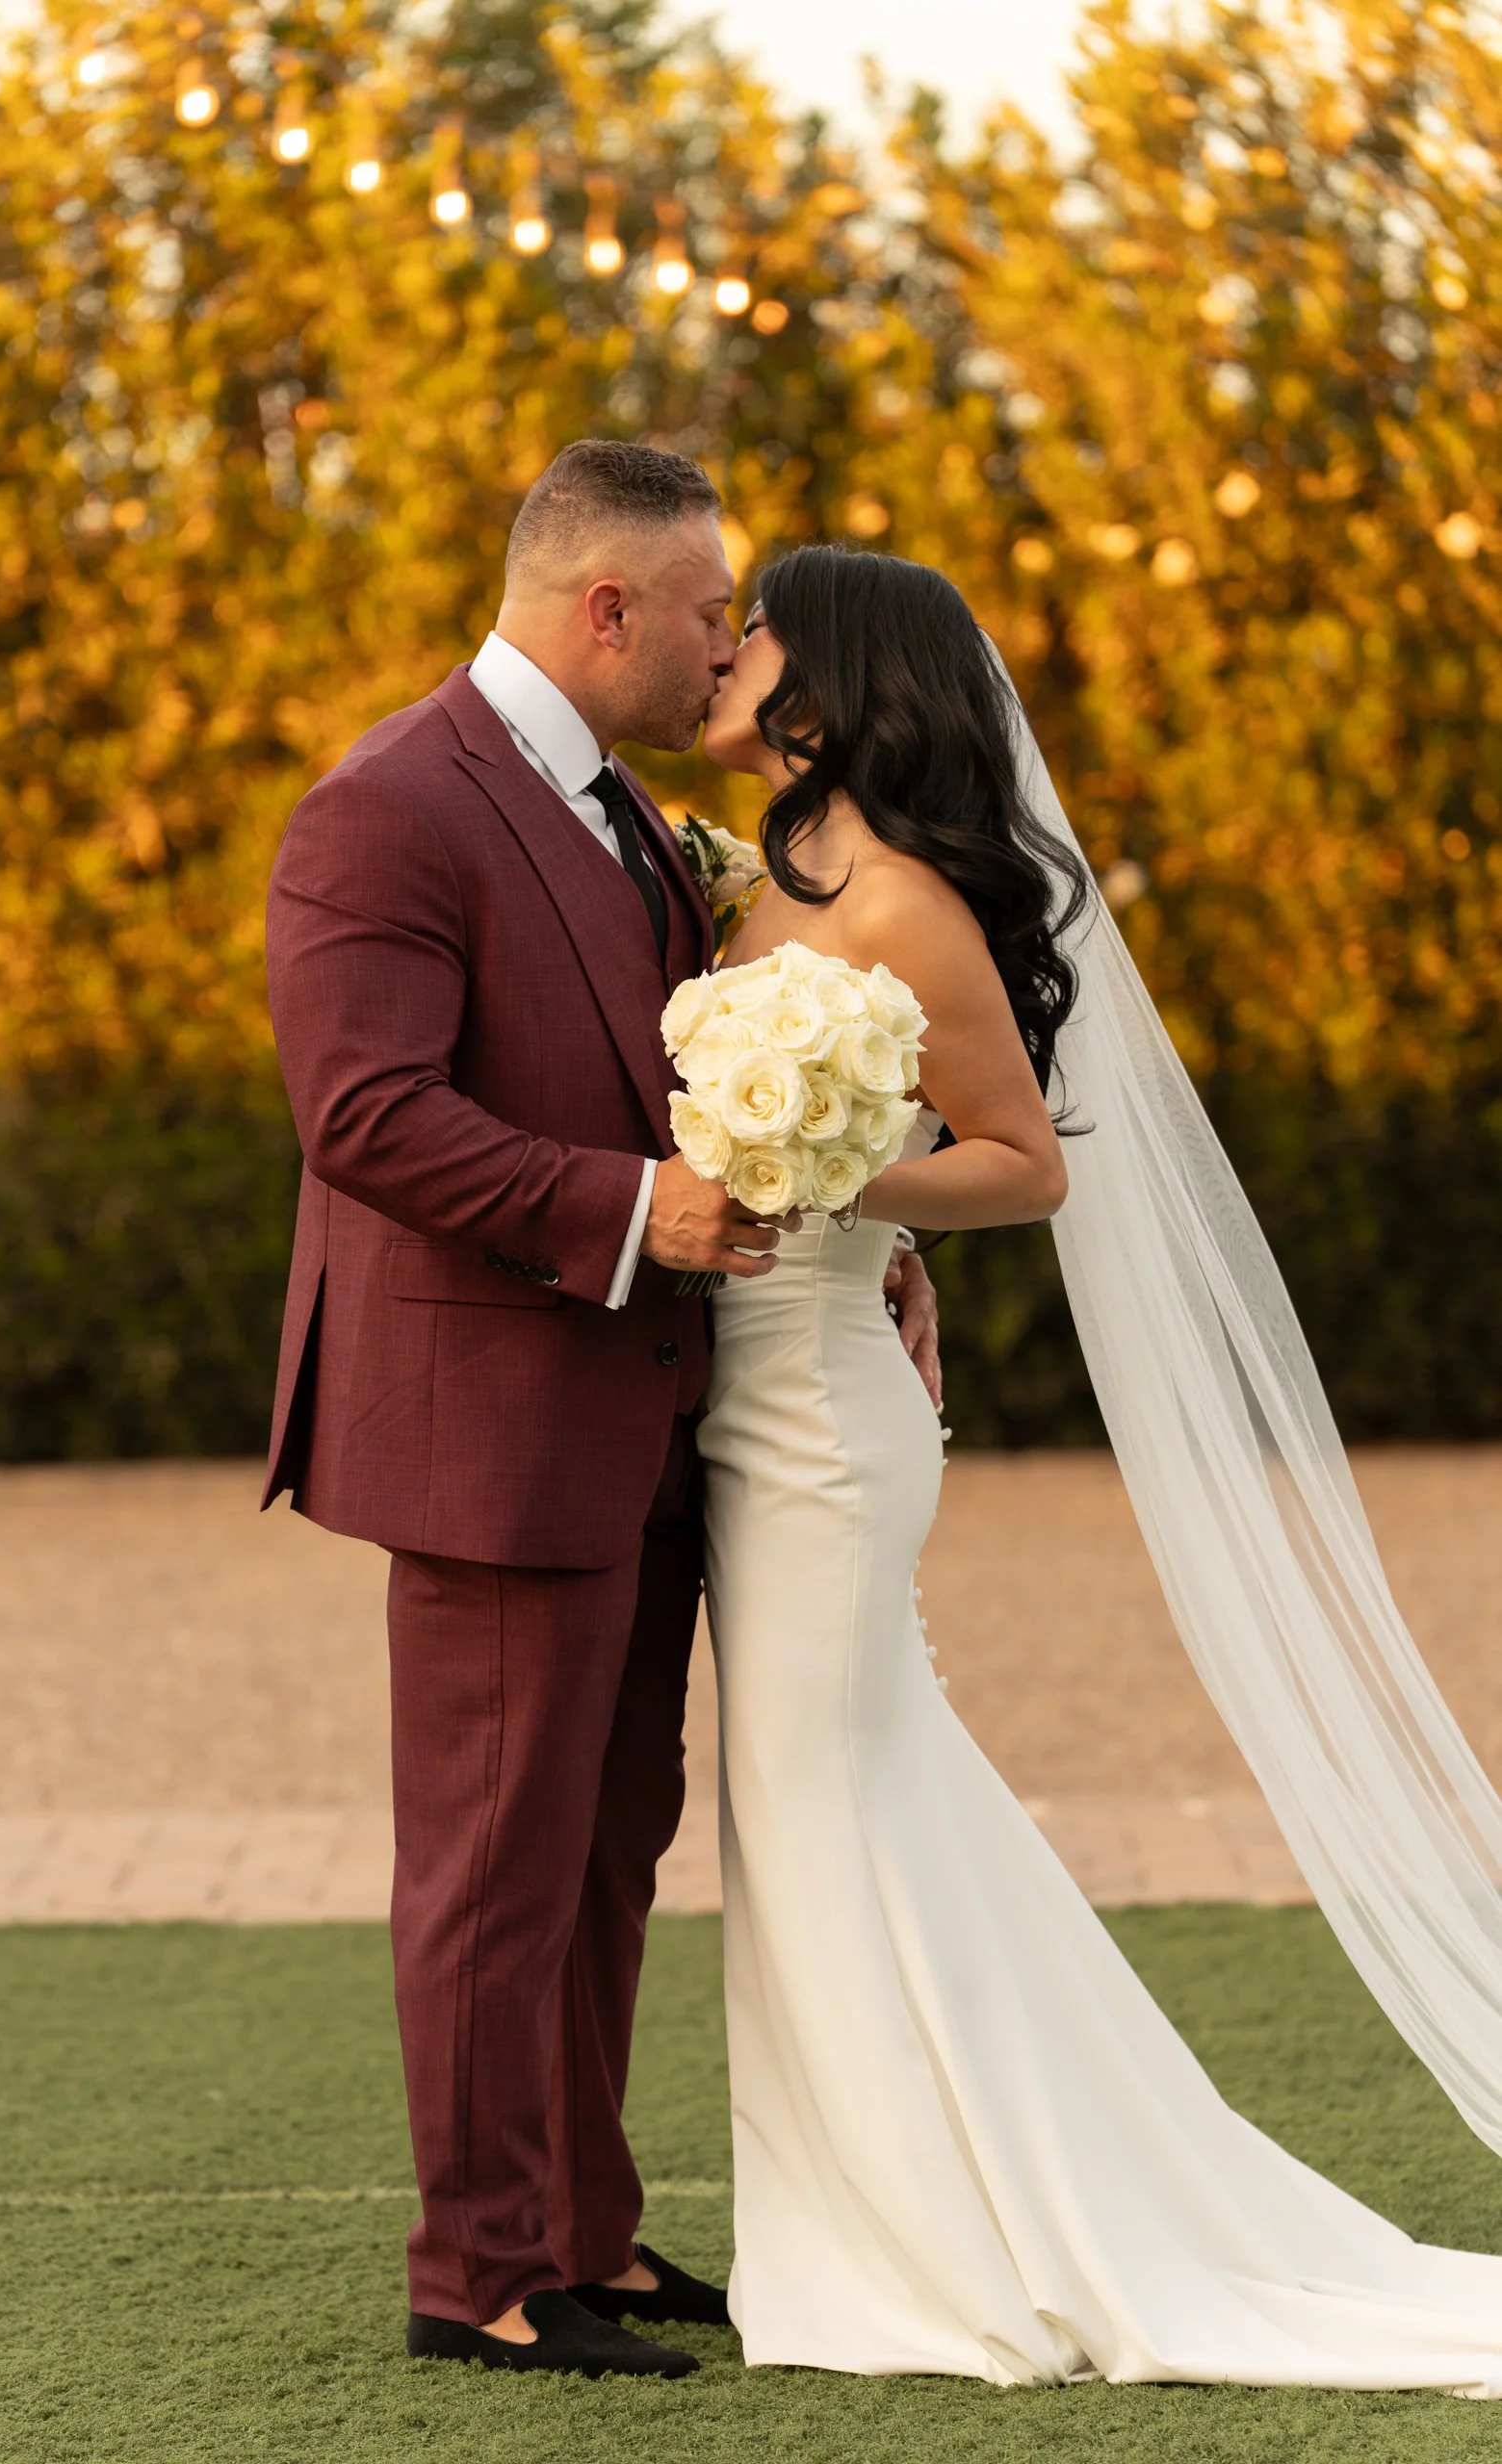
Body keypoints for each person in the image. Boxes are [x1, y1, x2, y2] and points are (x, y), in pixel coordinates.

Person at [695, 542, 1502, 2394]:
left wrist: (841, 1182)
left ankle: (943, 2249)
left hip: (822, 1414)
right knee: (830, 1805)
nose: (726, 649)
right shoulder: (750, 884)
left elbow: (1023, 1162)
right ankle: (891, 2209)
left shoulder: (900, 907)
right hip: (735, 1398)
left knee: (820, 1800)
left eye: (757, 628)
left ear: (832, 680)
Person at [262, 448, 939, 2380]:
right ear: (606, 612)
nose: (734, 639)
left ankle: (584, 2229)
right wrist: (639, 1209)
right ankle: (474, 2266)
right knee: (491, 1859)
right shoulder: (386, 806)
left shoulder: (634, 817)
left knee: (602, 1837)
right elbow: (363, 1113)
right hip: (491, 1428)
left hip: (646, 1413)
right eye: (711, 607)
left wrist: (852, 1234)